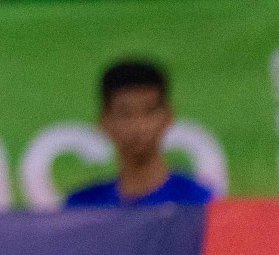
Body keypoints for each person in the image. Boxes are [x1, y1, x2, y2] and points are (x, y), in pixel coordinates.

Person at [66, 60, 212, 207]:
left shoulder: (200, 203)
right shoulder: (81, 208)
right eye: (125, 114)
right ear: (104, 121)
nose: (139, 126)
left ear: (168, 116)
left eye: (150, 111)